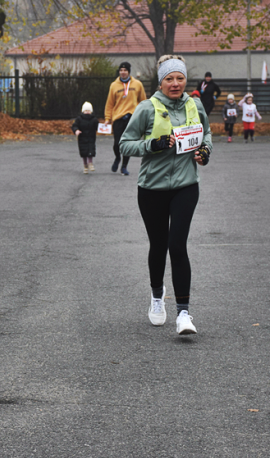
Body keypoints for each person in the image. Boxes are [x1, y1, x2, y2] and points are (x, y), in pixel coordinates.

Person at [120, 54, 212, 335]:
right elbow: (125, 145)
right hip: (152, 189)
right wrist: (153, 144)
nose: (175, 83)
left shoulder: (195, 104)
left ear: (186, 80)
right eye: (169, 78)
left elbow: (206, 134)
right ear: (160, 81)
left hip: (186, 185)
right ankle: (157, 297)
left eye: (180, 78)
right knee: (158, 245)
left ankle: (184, 313)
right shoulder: (147, 108)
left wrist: (205, 152)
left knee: (177, 244)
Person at [104, 62, 147, 176]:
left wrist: (144, 115)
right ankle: (117, 158)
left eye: (125, 70)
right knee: (117, 143)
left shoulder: (137, 84)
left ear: (129, 72)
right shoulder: (114, 85)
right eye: (121, 70)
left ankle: (124, 166)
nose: (123, 72)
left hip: (132, 117)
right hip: (118, 117)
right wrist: (108, 118)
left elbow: (143, 101)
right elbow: (110, 103)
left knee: (128, 143)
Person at [72, 101, 98, 174]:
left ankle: (90, 163)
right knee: (84, 152)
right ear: (83, 111)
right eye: (86, 110)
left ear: (91, 111)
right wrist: (76, 130)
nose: (87, 112)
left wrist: (104, 128)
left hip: (91, 137)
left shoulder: (94, 119)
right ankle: (85, 166)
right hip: (82, 138)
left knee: (91, 150)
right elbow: (75, 125)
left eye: (89, 110)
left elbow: (98, 126)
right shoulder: (79, 119)